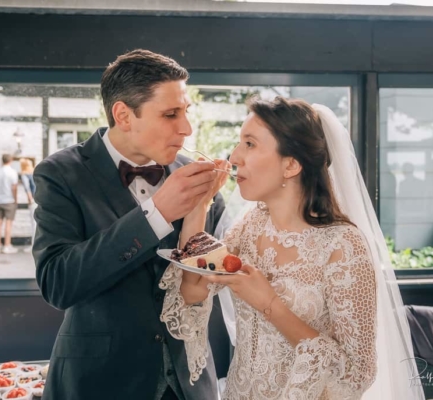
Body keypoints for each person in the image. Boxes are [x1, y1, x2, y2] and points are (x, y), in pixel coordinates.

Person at [160, 97, 424, 399]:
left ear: (291, 165)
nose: (234, 156)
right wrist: (199, 206)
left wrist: (269, 303)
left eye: (249, 144)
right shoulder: (251, 226)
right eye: (239, 143)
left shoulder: (343, 246)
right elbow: (191, 291)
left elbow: (356, 372)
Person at [33, 49, 230, 400]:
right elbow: (57, 283)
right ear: (123, 114)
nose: (186, 128)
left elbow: (203, 280)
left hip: (188, 383)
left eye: (186, 112)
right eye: (171, 114)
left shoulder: (195, 178)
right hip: (100, 383)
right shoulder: (60, 173)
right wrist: (156, 213)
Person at [0, 153, 19, 254]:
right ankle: (7, 246)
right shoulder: (12, 172)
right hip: (9, 200)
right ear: (10, 160)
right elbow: (14, 188)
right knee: (8, 223)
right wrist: (15, 199)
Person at [19, 158, 36, 252]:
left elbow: (27, 189)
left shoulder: (24, 175)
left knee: (34, 224)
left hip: (33, 201)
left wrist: (31, 200)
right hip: (40, 201)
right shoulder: (35, 173)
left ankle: (34, 245)